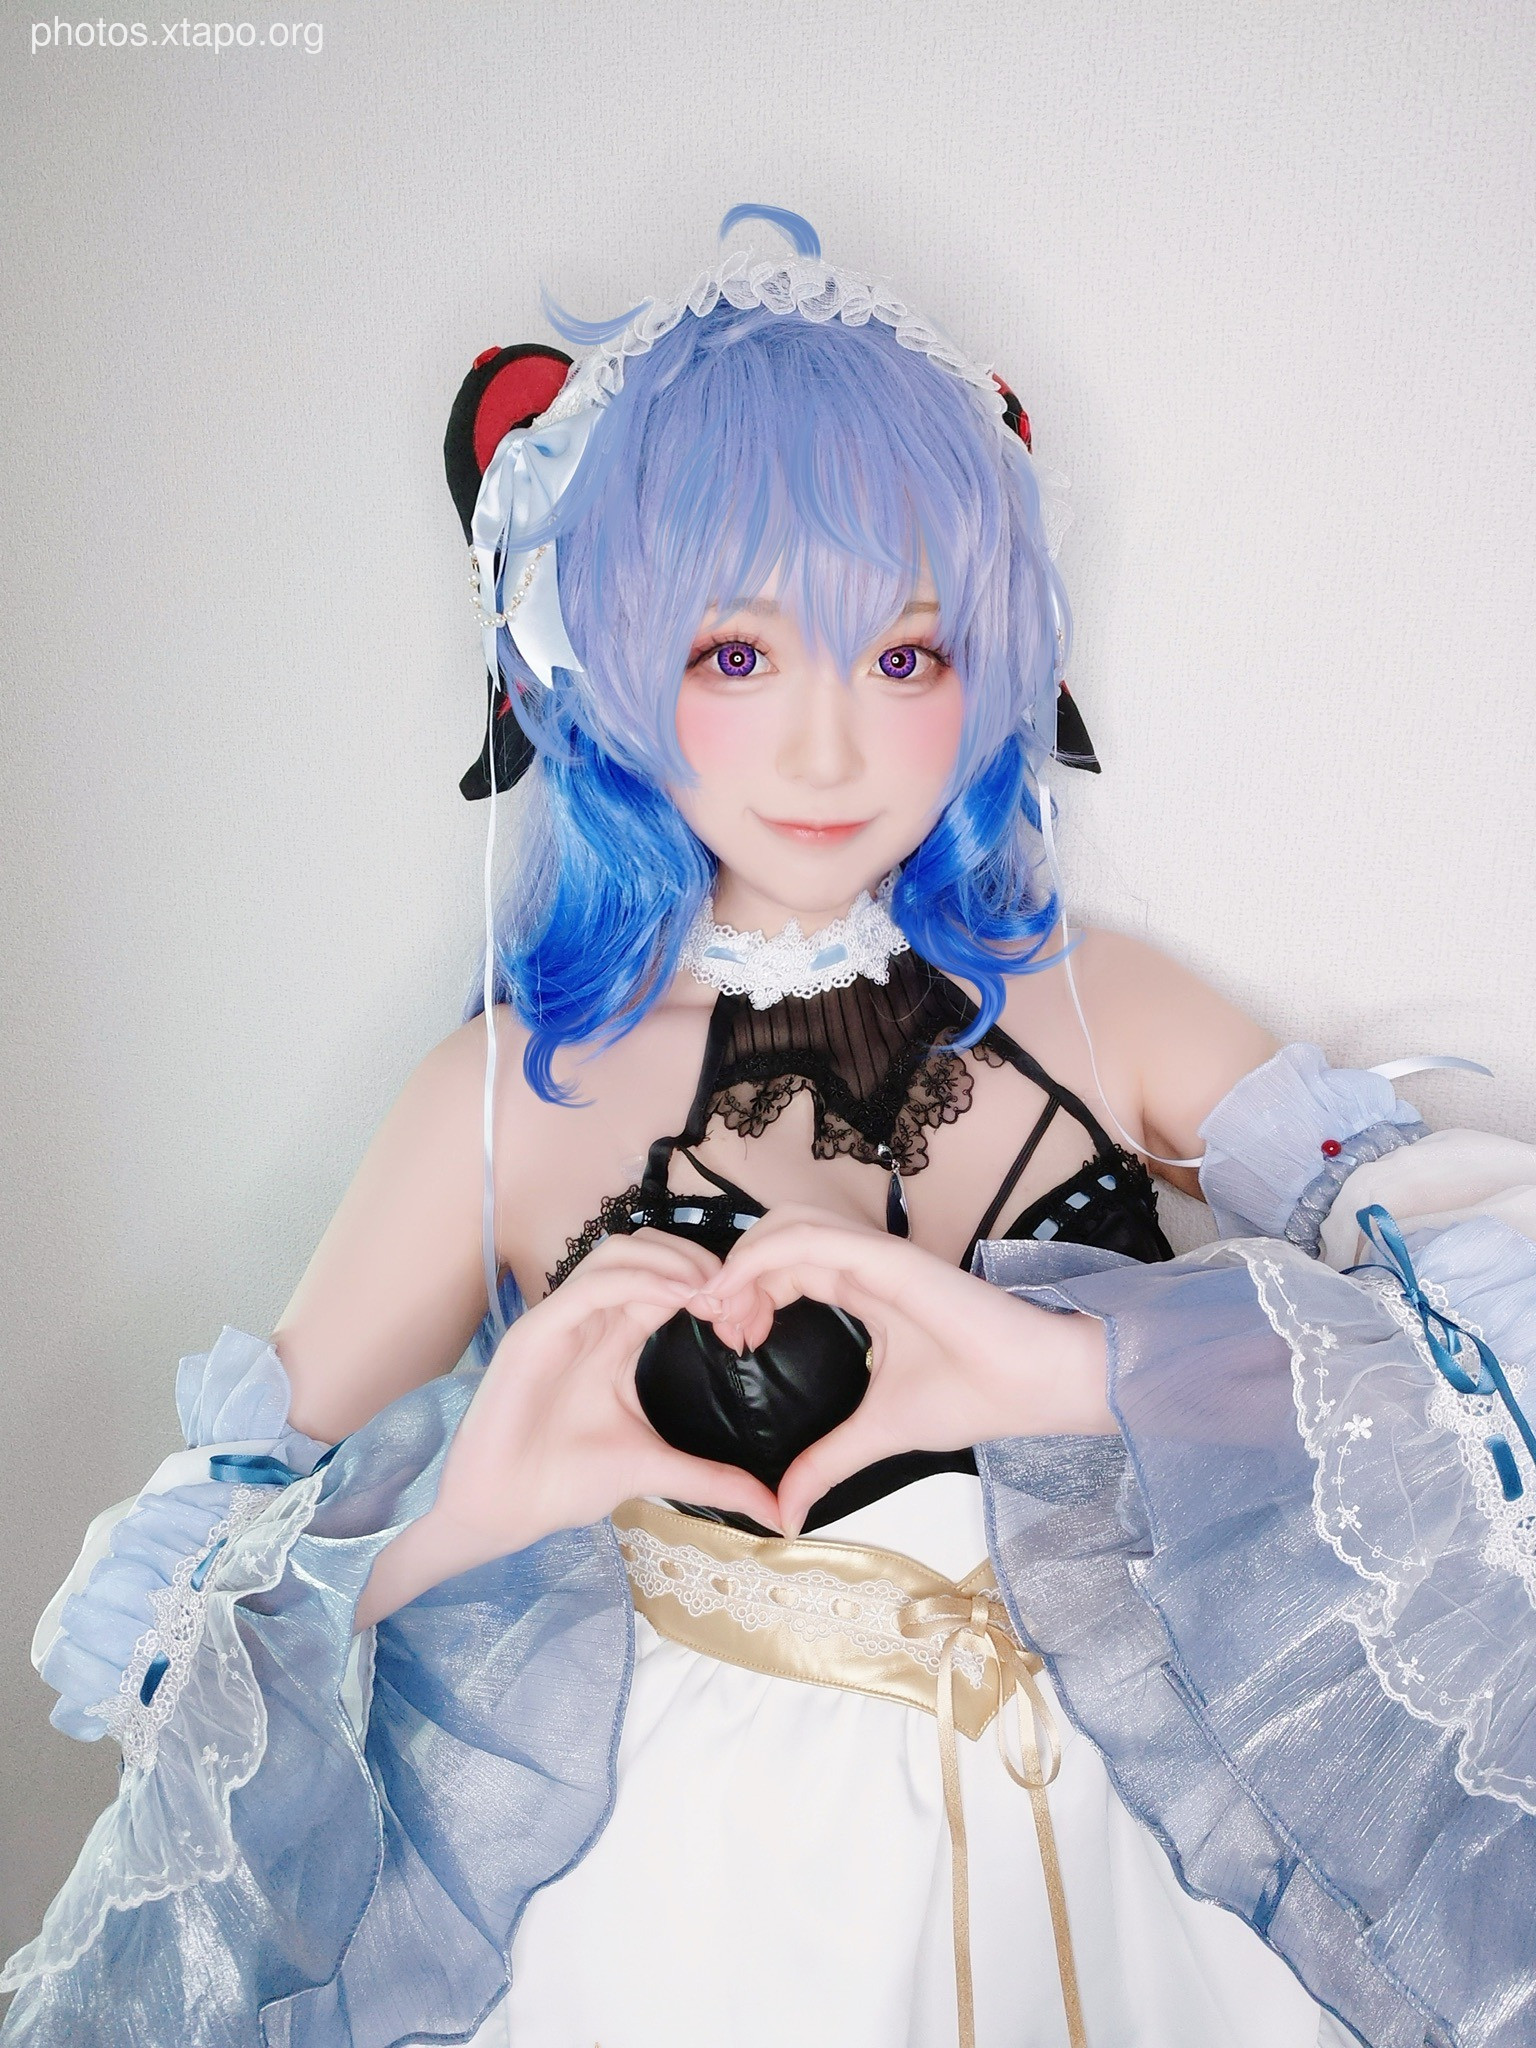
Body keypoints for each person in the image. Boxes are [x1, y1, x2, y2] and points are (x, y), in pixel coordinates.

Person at [4, 207, 1535, 2048]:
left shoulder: (1101, 1007)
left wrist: (1075, 1375)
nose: (830, 750)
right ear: (590, 657)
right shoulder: (504, 1098)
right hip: (694, 1899)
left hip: (1146, 1852)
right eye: (737, 655)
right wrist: (456, 1523)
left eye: (905, 657)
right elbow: (159, 1656)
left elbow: (1489, 1362)